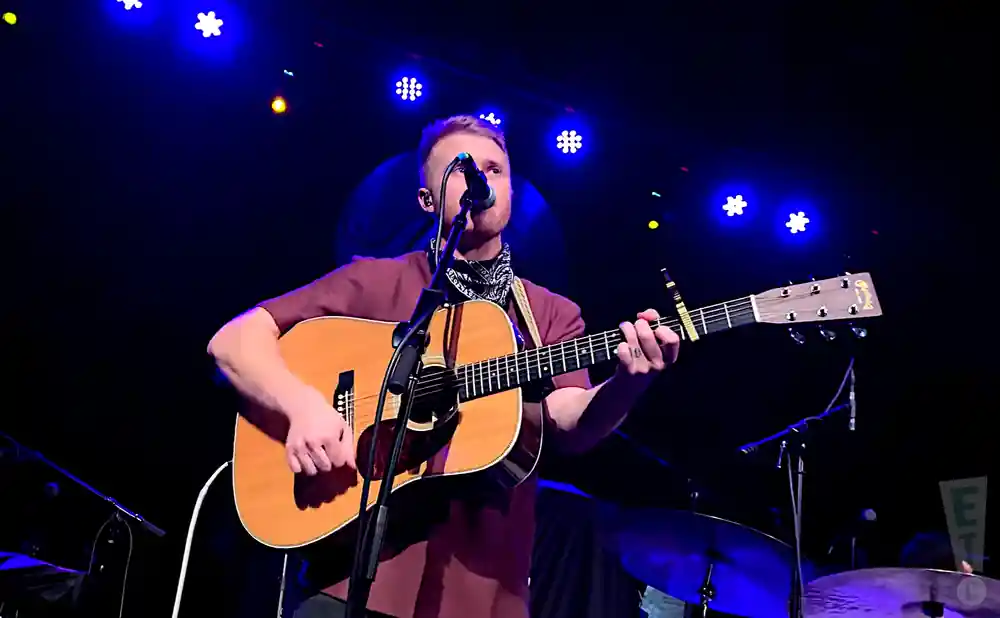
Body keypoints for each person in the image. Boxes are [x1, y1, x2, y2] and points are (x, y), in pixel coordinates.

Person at [207, 115, 681, 618]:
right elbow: (233, 341)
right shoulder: (375, 281)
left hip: (485, 595)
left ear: (511, 193)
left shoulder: (549, 313)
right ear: (427, 201)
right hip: (347, 582)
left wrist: (628, 384)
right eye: (462, 169)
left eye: (495, 170)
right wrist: (303, 407)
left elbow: (568, 419)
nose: (482, 180)